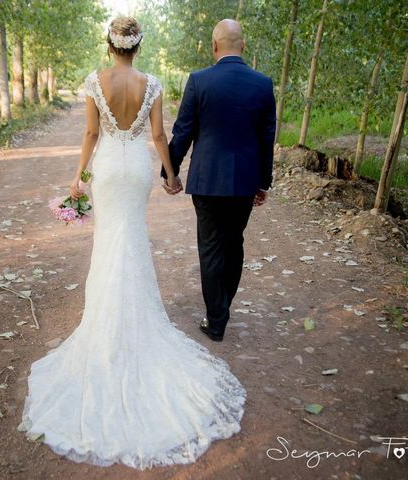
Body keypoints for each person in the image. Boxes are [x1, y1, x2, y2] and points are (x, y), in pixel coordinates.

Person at [18, 17, 246, 470]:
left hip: (107, 169)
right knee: (131, 239)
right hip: (137, 169)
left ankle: (104, 329)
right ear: (138, 47)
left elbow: (90, 134)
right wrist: (172, 174)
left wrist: (79, 177)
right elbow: (160, 135)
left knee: (109, 244)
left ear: (110, 45)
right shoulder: (152, 82)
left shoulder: (94, 81)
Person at [163, 19, 276, 342]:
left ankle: (216, 319)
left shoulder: (199, 81)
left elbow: (183, 131)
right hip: (244, 182)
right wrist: (263, 182)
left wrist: (170, 172)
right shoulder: (262, 83)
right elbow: (267, 138)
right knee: (234, 242)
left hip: (207, 180)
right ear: (243, 45)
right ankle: (222, 307)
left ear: (214, 46)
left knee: (211, 248)